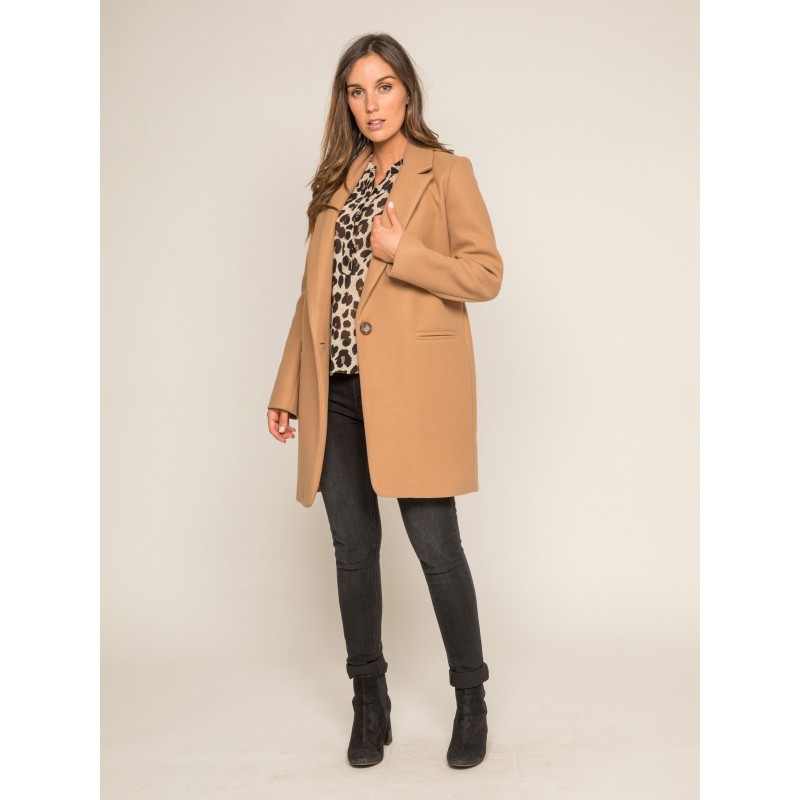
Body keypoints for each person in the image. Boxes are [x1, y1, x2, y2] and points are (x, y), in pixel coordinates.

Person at [266, 33, 503, 769]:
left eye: (384, 86)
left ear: (407, 91)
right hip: (335, 392)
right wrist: (287, 388)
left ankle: (471, 700)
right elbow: (312, 297)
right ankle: (369, 703)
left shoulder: (446, 172)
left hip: (411, 391)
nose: (371, 104)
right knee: (352, 552)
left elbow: (485, 274)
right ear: (346, 102)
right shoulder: (333, 186)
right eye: (357, 91)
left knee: (436, 548)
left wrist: (406, 255)